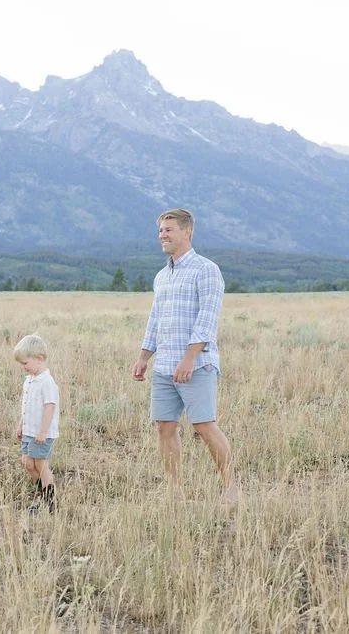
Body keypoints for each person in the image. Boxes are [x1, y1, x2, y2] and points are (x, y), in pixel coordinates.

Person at [131, 209, 239, 504]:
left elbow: (207, 319)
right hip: (165, 365)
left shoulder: (206, 270)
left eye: (168, 230)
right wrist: (143, 357)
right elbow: (155, 320)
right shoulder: (162, 276)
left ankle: (231, 489)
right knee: (165, 426)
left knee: (204, 425)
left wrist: (190, 358)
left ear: (187, 232)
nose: (162, 235)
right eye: (160, 231)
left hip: (197, 364)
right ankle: (175, 493)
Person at [14, 334, 60, 514]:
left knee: (41, 465)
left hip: (41, 433)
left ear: (39, 359)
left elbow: (50, 408)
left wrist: (43, 431)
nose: (23, 367)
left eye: (25, 363)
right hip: (29, 431)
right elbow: (26, 406)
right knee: (27, 463)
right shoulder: (29, 380)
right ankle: (42, 494)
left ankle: (50, 502)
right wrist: (21, 424)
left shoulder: (47, 382)